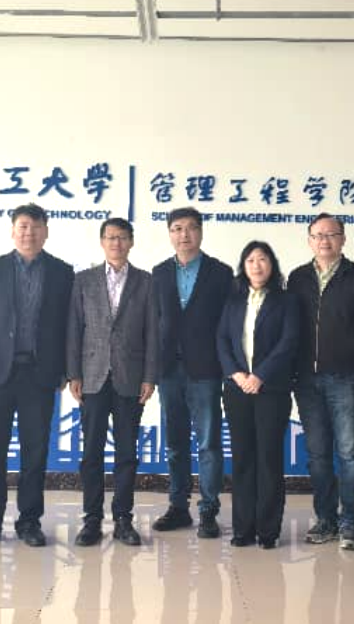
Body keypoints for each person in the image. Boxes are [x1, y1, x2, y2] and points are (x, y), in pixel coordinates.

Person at [0, 203, 74, 547]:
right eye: (23, 226)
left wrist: (66, 370)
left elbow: (66, 326)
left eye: (36, 226)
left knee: (35, 453)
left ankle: (29, 523)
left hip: (39, 374)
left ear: (46, 232)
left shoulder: (62, 272)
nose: (29, 232)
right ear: (13, 231)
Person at [286, 213, 354, 551]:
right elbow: (289, 327)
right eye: (318, 235)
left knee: (349, 452)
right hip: (306, 379)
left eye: (331, 234)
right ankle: (325, 519)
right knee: (317, 454)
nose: (324, 240)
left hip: (346, 377)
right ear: (309, 240)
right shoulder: (297, 278)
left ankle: (350, 523)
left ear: (343, 239)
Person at [66, 218, 158, 547]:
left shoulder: (146, 282)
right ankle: (92, 519)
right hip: (92, 376)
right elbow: (74, 329)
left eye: (122, 237)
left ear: (131, 242)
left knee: (126, 452)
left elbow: (153, 333)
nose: (116, 243)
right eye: (110, 237)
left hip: (130, 377)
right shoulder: (84, 280)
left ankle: (123, 519)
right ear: (102, 242)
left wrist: (150, 376)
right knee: (91, 452)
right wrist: (73, 373)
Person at [151, 207, 233, 538]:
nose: (184, 234)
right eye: (177, 228)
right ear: (170, 233)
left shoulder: (221, 272)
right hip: (169, 369)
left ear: (201, 231)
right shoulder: (158, 273)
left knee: (209, 443)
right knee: (174, 442)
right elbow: (153, 322)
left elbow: (228, 324)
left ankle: (209, 510)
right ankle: (178, 507)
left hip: (206, 370)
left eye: (190, 228)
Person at [216, 241, 300, 549]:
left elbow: (289, 341)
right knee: (242, 459)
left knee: (268, 458)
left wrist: (260, 375)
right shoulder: (233, 300)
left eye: (262, 259)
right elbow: (222, 340)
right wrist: (237, 374)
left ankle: (267, 531)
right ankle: (243, 529)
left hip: (271, 389)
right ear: (243, 266)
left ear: (271, 264)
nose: (256, 265)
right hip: (237, 389)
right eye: (250, 260)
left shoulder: (286, 300)